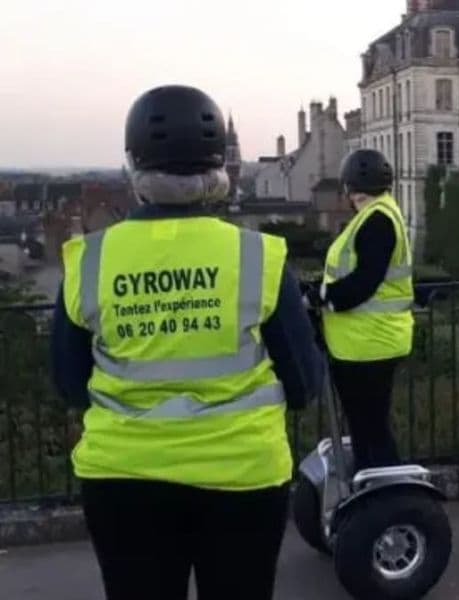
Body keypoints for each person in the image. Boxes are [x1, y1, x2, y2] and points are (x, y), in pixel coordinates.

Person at [50, 85, 323, 600]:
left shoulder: (87, 260)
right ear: (219, 167)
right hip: (242, 478)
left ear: (133, 166)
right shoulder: (257, 257)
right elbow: (305, 384)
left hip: (122, 480)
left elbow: (69, 384)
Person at [306, 149, 413, 472]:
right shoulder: (381, 214)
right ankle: (377, 498)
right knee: (367, 430)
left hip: (368, 344)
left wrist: (321, 296)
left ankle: (385, 504)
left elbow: (364, 282)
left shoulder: (376, 220)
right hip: (367, 341)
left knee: (371, 431)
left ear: (350, 188)